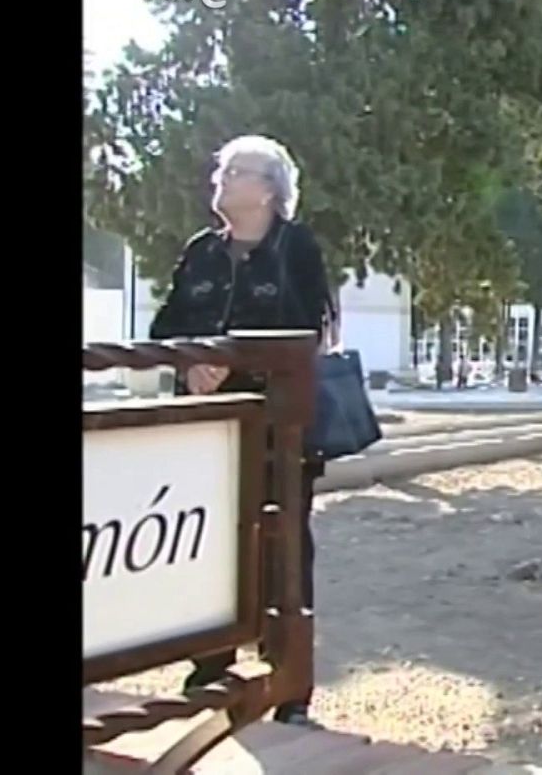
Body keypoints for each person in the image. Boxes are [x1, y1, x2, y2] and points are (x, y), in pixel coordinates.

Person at [149, 134, 339, 728]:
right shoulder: (201, 252)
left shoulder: (297, 249)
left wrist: (234, 358)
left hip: (278, 433)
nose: (222, 181)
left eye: (236, 173)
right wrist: (190, 359)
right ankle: (212, 669)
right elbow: (166, 323)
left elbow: (310, 330)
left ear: (268, 189)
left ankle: (290, 688)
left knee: (283, 549)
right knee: (209, 543)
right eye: (222, 172)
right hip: (202, 430)